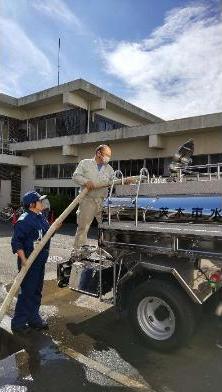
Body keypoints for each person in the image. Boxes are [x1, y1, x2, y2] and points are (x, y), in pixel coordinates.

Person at [11, 191, 60, 334]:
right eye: (40, 201)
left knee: (36, 291)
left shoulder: (41, 217)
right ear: (32, 204)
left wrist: (55, 228)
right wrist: (24, 261)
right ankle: (18, 323)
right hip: (29, 262)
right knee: (26, 292)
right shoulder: (24, 220)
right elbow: (16, 242)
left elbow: (46, 235)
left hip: (40, 262)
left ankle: (34, 318)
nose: (42, 203)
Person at [72, 144, 114, 250]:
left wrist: (125, 181)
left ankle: (105, 250)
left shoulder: (109, 168)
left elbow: (115, 181)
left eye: (109, 155)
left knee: (106, 227)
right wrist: (86, 182)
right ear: (98, 153)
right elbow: (76, 176)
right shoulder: (85, 163)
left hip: (102, 201)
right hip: (87, 200)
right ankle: (78, 252)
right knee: (83, 228)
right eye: (106, 155)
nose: (108, 157)